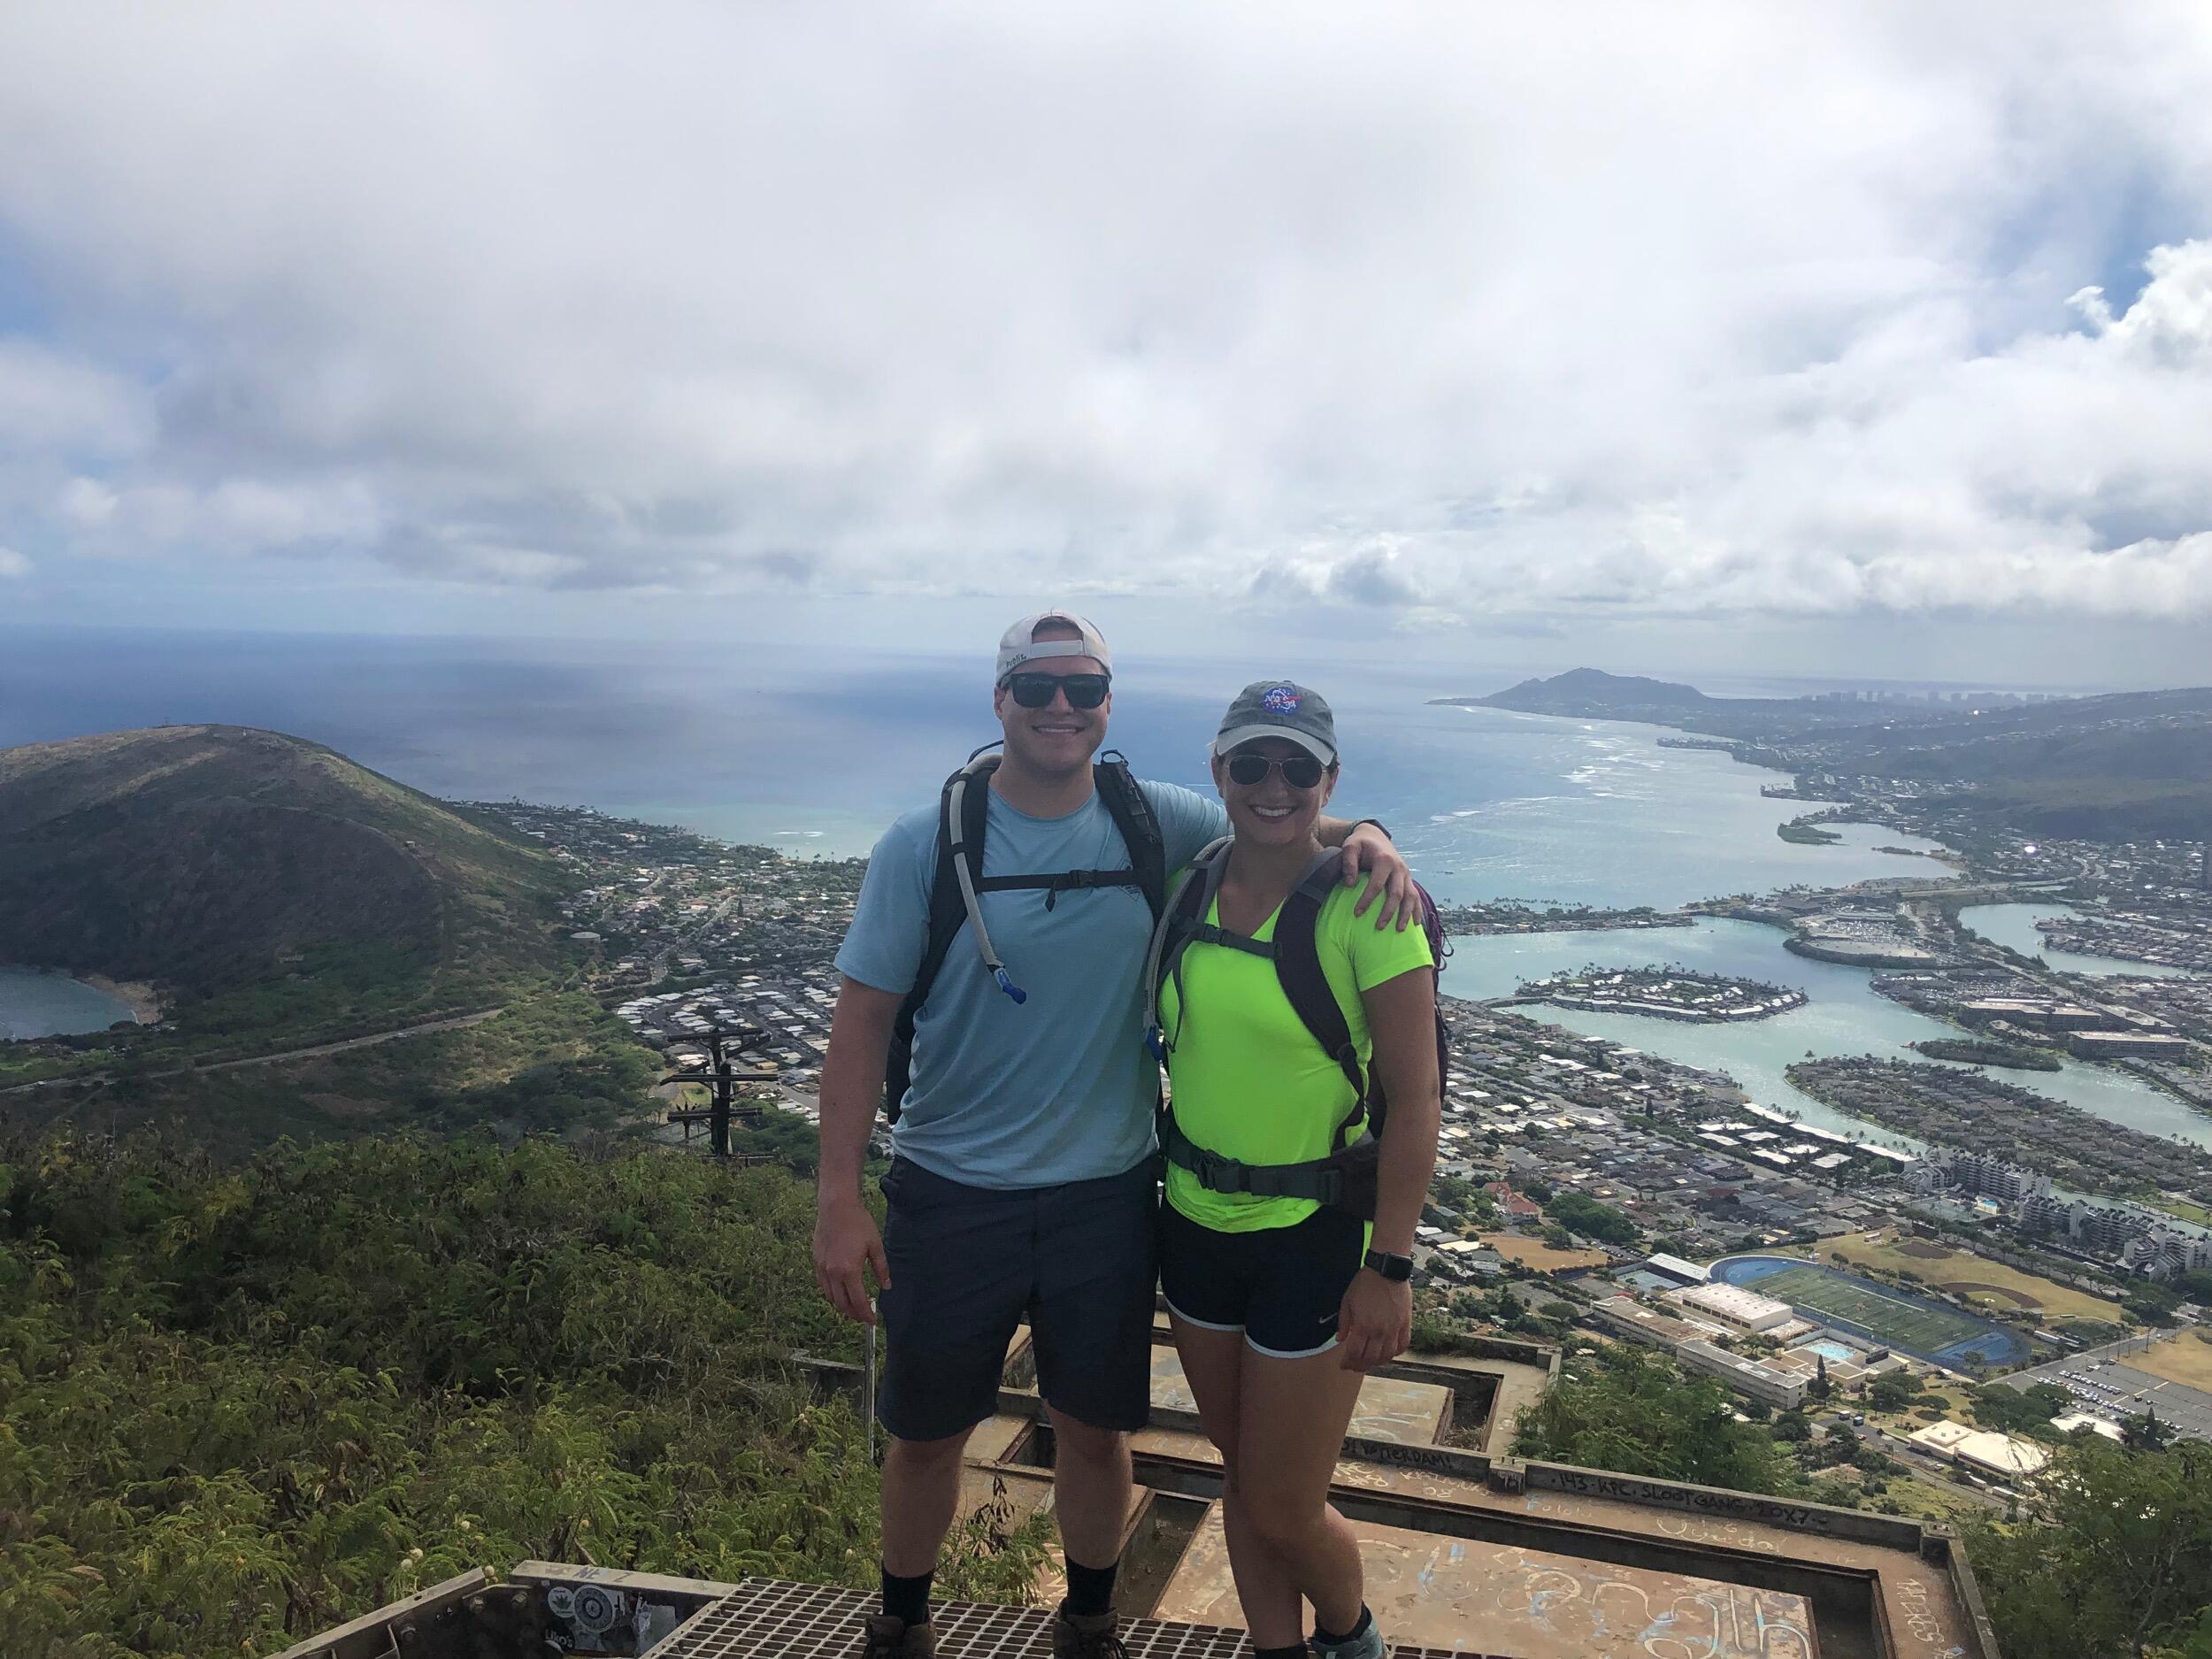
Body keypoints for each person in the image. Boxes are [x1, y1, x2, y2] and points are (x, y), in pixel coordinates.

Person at [814, 614, 1419, 1659]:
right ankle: (899, 1624)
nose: (1061, 709)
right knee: (923, 1438)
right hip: (952, 1187)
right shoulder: (926, 843)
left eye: (1082, 689)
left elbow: (1275, 820)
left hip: (1108, 1192)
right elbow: (861, 1022)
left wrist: (1368, 833)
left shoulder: (1153, 822)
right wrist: (836, 1196)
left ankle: (1089, 1623)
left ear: (1107, 703)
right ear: (998, 699)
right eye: (1037, 690)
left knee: (1097, 1434)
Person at [1150, 680, 1442, 1659]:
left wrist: (1390, 1267)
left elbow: (1416, 1100)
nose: (1272, 787)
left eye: (1296, 768)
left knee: (1282, 1503)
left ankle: (1351, 1636)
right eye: (1251, 765)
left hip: (1313, 1240)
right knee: (1243, 1478)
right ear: (1219, 772)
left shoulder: (1371, 904)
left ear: (1328, 779)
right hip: (1191, 1223)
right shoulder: (1188, 879)